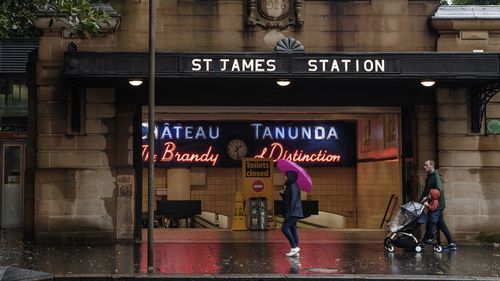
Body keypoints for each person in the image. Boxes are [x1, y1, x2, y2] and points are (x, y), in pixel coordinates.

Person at [420, 160, 457, 250]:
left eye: (426, 165)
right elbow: (426, 189)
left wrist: (428, 197)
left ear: (432, 165)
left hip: (436, 205)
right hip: (435, 204)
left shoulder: (436, 176)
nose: (424, 167)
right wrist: (421, 198)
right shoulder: (429, 176)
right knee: (441, 224)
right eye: (424, 165)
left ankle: (425, 241)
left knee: (431, 223)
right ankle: (451, 243)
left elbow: (438, 190)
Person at [280, 170, 303, 257]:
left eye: (287, 176)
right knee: (293, 229)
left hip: (293, 212)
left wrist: (288, 213)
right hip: (295, 212)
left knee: (284, 228)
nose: (285, 177)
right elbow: (290, 198)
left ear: (291, 177)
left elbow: (293, 201)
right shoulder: (291, 186)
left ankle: (294, 247)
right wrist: (283, 195)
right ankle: (296, 248)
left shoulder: (292, 186)